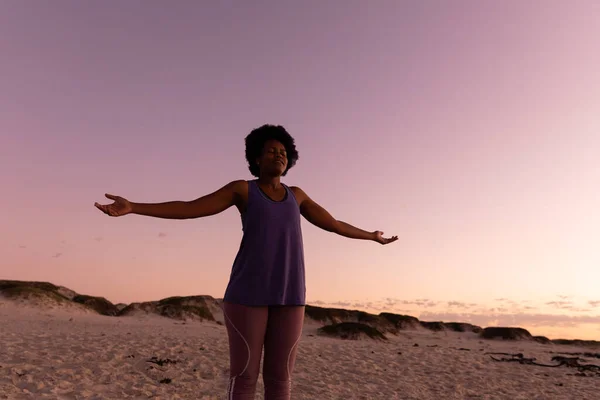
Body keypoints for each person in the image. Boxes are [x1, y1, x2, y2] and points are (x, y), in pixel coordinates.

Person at [94, 124, 398, 399]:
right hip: (246, 295)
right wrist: (134, 207)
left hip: (290, 296)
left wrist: (372, 236)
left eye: (283, 152)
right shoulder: (243, 189)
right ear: (256, 158)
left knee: (280, 379)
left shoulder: (297, 195)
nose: (278, 155)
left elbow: (334, 224)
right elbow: (191, 207)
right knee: (245, 377)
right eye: (270, 151)